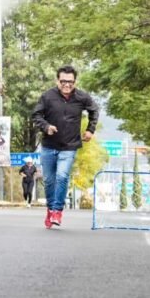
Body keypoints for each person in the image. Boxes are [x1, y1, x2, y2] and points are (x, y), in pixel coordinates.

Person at [31, 65, 99, 229]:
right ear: (57, 80)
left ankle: (57, 211)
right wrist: (46, 126)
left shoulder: (82, 97)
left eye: (70, 82)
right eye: (63, 81)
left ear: (75, 82)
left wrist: (90, 130)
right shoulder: (48, 96)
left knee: (62, 176)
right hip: (48, 146)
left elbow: (94, 110)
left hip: (69, 146)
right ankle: (50, 208)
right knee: (48, 181)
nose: (67, 85)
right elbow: (36, 115)